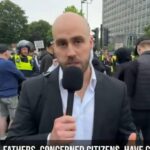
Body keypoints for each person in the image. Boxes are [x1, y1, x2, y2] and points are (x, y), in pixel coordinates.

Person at [7, 13, 136, 145]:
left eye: (78, 41)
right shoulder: (32, 89)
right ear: (54, 48)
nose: (71, 53)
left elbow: (127, 137)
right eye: (62, 44)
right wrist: (49, 140)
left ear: (91, 43)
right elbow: (12, 142)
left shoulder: (117, 90)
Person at [123, 36, 150, 146]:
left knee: (133, 140)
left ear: (139, 49)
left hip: (135, 111)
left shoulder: (134, 65)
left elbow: (127, 91)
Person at [0, 44, 25, 140]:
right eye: (9, 51)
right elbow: (20, 76)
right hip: (11, 94)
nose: (11, 53)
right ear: (5, 52)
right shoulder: (8, 63)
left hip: (0, 95)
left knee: (2, 116)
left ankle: (1, 137)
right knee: (14, 117)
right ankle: (11, 138)